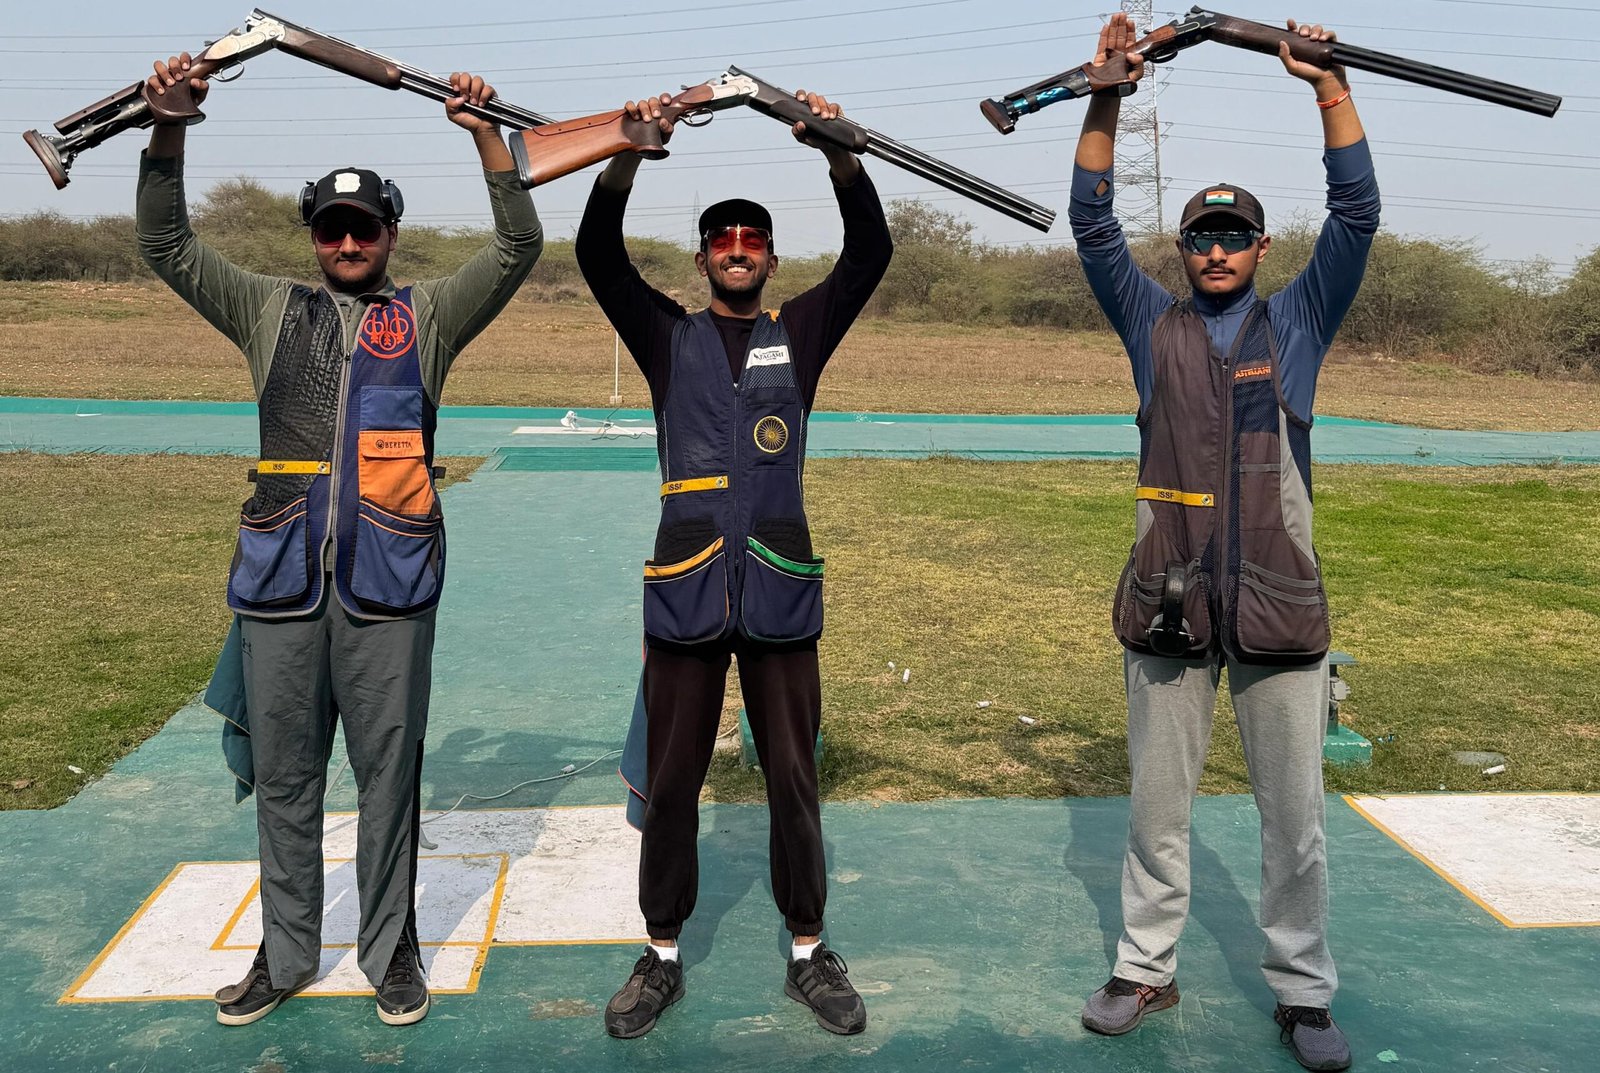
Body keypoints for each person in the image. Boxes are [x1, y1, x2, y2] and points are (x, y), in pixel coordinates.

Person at [135, 53, 543, 1026]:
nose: (349, 239)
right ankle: (283, 955)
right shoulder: (267, 308)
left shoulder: (428, 314)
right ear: (315, 236)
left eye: (365, 226)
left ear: (390, 234)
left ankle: (390, 951)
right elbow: (165, 241)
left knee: (389, 777)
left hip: (390, 587)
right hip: (279, 587)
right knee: (284, 778)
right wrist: (170, 126)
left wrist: (485, 135)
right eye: (332, 226)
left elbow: (519, 245)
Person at [1067, 15, 1380, 1072]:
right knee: (1157, 811)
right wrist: (1107, 94)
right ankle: (1143, 965)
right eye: (1198, 237)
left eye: (1231, 236)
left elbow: (1357, 211)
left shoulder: (1296, 323)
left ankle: (1301, 989)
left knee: (1294, 822)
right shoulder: (1146, 324)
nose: (1212, 250)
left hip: (1279, 601)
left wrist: (1326, 87)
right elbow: (1091, 223)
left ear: (1259, 249)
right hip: (1167, 598)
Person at [574, 88, 892, 1039]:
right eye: (724, 239)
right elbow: (598, 254)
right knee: (674, 782)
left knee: (794, 775)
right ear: (706, 255)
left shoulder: (801, 332)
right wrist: (628, 153)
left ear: (770, 257)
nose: (739, 250)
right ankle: (661, 951)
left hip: (782, 592)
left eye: (753, 237)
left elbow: (870, 252)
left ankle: (808, 946)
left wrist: (839, 154)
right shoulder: (666, 337)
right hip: (685, 592)